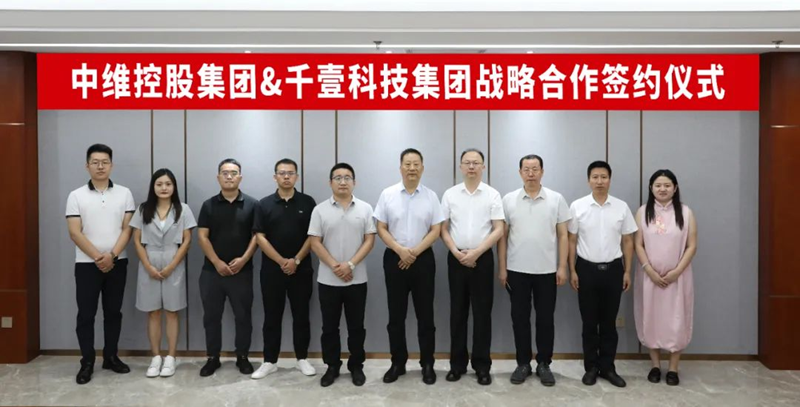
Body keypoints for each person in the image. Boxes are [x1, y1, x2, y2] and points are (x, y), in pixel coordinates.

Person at [498, 154, 570, 387]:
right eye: (526, 169)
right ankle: (523, 363)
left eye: (535, 169)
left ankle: (544, 364)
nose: (531, 173)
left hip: (547, 271)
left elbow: (563, 235)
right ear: (520, 172)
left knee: (545, 320)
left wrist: (562, 267)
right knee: (519, 319)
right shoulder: (509, 200)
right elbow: (502, 237)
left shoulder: (556, 199)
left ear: (542, 171)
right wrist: (502, 268)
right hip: (516, 270)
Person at [374, 148, 445, 385]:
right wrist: (400, 250)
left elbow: (436, 229)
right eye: (407, 164)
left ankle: (427, 363)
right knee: (396, 316)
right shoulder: (388, 194)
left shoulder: (431, 196)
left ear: (422, 168)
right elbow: (381, 227)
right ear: (400, 167)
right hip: (394, 258)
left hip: (422, 259)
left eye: (416, 164)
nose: (412, 168)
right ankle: (398, 362)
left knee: (426, 316)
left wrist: (414, 252)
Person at [66, 143, 135, 385]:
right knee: (86, 314)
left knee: (113, 313)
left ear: (111, 165)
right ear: (87, 166)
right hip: (86, 265)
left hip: (118, 263)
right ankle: (87, 362)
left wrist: (112, 256)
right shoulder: (76, 195)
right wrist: (99, 257)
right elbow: (75, 232)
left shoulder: (125, 193)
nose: (100, 166)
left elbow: (128, 229)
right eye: (95, 162)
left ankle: (111, 357)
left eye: (105, 162)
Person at [568, 160, 637, 388]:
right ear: (588, 180)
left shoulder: (621, 207)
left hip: (614, 270)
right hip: (585, 269)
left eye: (604, 177)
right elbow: (571, 240)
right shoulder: (577, 206)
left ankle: (608, 367)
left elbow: (628, 241)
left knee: (608, 323)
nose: (599, 181)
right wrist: (572, 269)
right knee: (589, 323)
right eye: (595, 177)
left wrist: (627, 271)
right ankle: (591, 367)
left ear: (610, 179)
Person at [308, 163, 376, 387]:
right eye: (338, 178)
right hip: (328, 280)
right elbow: (314, 242)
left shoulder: (365, 209)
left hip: (357, 279)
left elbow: (370, 240)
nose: (343, 182)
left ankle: (356, 366)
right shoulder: (319, 210)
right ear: (330, 183)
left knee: (356, 327)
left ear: (354, 182)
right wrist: (336, 266)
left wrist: (350, 265)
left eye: (347, 177)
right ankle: (332, 366)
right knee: (329, 328)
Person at [440, 148, 504, 386]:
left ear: (483, 167)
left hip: (482, 259)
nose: (471, 166)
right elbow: (443, 228)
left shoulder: (492, 194)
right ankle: (457, 365)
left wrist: (476, 252)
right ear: (460, 166)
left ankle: (482, 366)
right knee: (457, 313)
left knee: (482, 314)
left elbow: (499, 229)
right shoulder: (450, 194)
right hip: (456, 258)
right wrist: (456, 252)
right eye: (467, 162)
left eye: (476, 163)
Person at [251, 158, 317, 379]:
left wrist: (296, 260)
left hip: (301, 270)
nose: (286, 176)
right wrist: (281, 261)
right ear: (275, 177)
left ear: (297, 176)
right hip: (272, 271)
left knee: (301, 315)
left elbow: (313, 235)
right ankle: (269, 361)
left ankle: (302, 359)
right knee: (272, 316)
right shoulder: (263, 204)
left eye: (290, 173)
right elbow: (259, 237)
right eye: (282, 173)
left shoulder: (308, 202)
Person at [130, 168, 196, 378]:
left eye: (168, 184)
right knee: (153, 312)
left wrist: (171, 266)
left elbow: (187, 240)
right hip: (148, 259)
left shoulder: (183, 209)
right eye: (159, 184)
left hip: (173, 259)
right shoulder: (143, 209)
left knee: (172, 311)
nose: (164, 188)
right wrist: (148, 266)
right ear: (153, 187)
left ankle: (171, 357)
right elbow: (136, 240)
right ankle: (156, 357)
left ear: (174, 187)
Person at [634, 169, 697, 386]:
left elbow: (692, 246)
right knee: (651, 317)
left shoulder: (686, 213)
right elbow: (638, 244)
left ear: (675, 188)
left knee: (677, 320)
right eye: (658, 185)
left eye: (667, 185)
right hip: (649, 276)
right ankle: (655, 365)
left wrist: (676, 271)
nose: (662, 189)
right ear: (651, 188)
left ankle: (673, 368)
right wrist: (649, 270)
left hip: (678, 277)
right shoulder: (643, 212)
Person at [196, 158, 258, 377]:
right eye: (225, 173)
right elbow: (202, 237)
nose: (229, 176)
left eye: (233, 173)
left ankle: (242, 356)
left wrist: (243, 259)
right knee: (211, 317)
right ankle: (213, 357)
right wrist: (217, 262)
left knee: (243, 316)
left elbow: (257, 236)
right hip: (212, 272)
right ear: (218, 177)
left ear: (240, 177)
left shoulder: (252, 204)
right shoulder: (208, 205)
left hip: (242, 272)